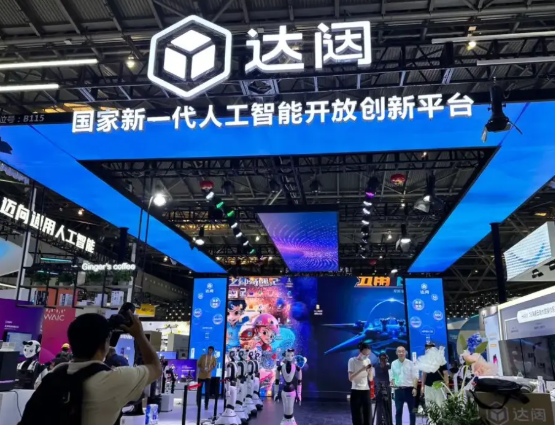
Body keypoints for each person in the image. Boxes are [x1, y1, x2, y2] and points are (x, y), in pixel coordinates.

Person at [63, 312, 161, 425]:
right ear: (105, 345)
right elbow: (155, 367)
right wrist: (139, 335)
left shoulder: (55, 374)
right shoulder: (115, 379)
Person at [390, 346, 418, 425]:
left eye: (403, 351)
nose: (401, 353)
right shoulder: (393, 363)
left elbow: (415, 377)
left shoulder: (411, 363)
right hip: (398, 390)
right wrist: (394, 386)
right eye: (399, 351)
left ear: (405, 352)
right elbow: (392, 377)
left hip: (410, 390)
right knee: (398, 411)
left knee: (412, 411)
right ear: (396, 353)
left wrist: (415, 388)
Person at [348, 342, 373, 425]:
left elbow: (370, 379)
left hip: (366, 391)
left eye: (368, 354)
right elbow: (350, 378)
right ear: (360, 351)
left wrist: (370, 371)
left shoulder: (368, 361)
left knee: (368, 418)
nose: (366, 356)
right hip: (356, 391)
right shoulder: (352, 361)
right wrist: (361, 369)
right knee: (357, 418)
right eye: (365, 354)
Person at [420, 343, 449, 409]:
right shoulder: (425, 360)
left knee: (441, 405)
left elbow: (445, 373)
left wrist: (446, 386)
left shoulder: (441, 358)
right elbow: (424, 374)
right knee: (429, 405)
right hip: (428, 386)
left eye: (430, 348)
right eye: (427, 348)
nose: (428, 350)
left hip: (439, 386)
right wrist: (422, 386)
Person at [374, 352, 392, 425]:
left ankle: (383, 422)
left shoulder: (387, 366)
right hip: (382, 387)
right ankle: (386, 422)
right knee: (384, 407)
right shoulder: (377, 366)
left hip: (382, 387)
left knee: (383, 407)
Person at [197, 346, 217, 410]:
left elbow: (214, 366)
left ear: (212, 351)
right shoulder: (203, 356)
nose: (210, 351)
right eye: (209, 350)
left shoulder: (213, 358)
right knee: (199, 390)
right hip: (201, 376)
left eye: (211, 350)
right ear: (207, 350)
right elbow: (198, 364)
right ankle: (198, 403)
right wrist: (201, 369)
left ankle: (206, 405)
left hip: (208, 376)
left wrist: (210, 370)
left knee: (207, 391)